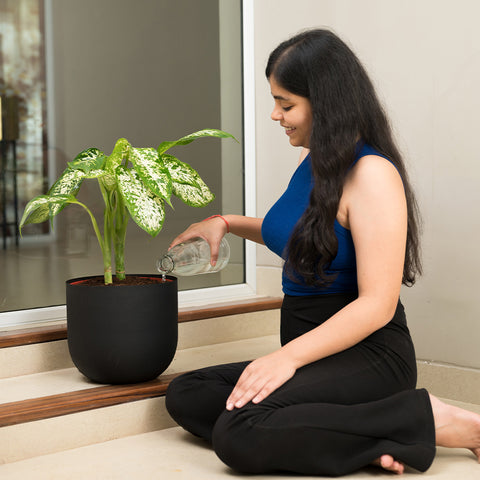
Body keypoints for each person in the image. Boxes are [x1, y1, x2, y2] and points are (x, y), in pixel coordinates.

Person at [165, 28, 480, 476]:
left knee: (238, 431)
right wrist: (226, 222)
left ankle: (428, 418)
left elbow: (377, 305)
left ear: (326, 102)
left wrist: (285, 358)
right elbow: (299, 237)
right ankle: (370, 438)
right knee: (189, 395)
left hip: (368, 356)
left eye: (286, 103)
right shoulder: (313, 161)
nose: (275, 115)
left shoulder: (372, 175)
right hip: (312, 350)